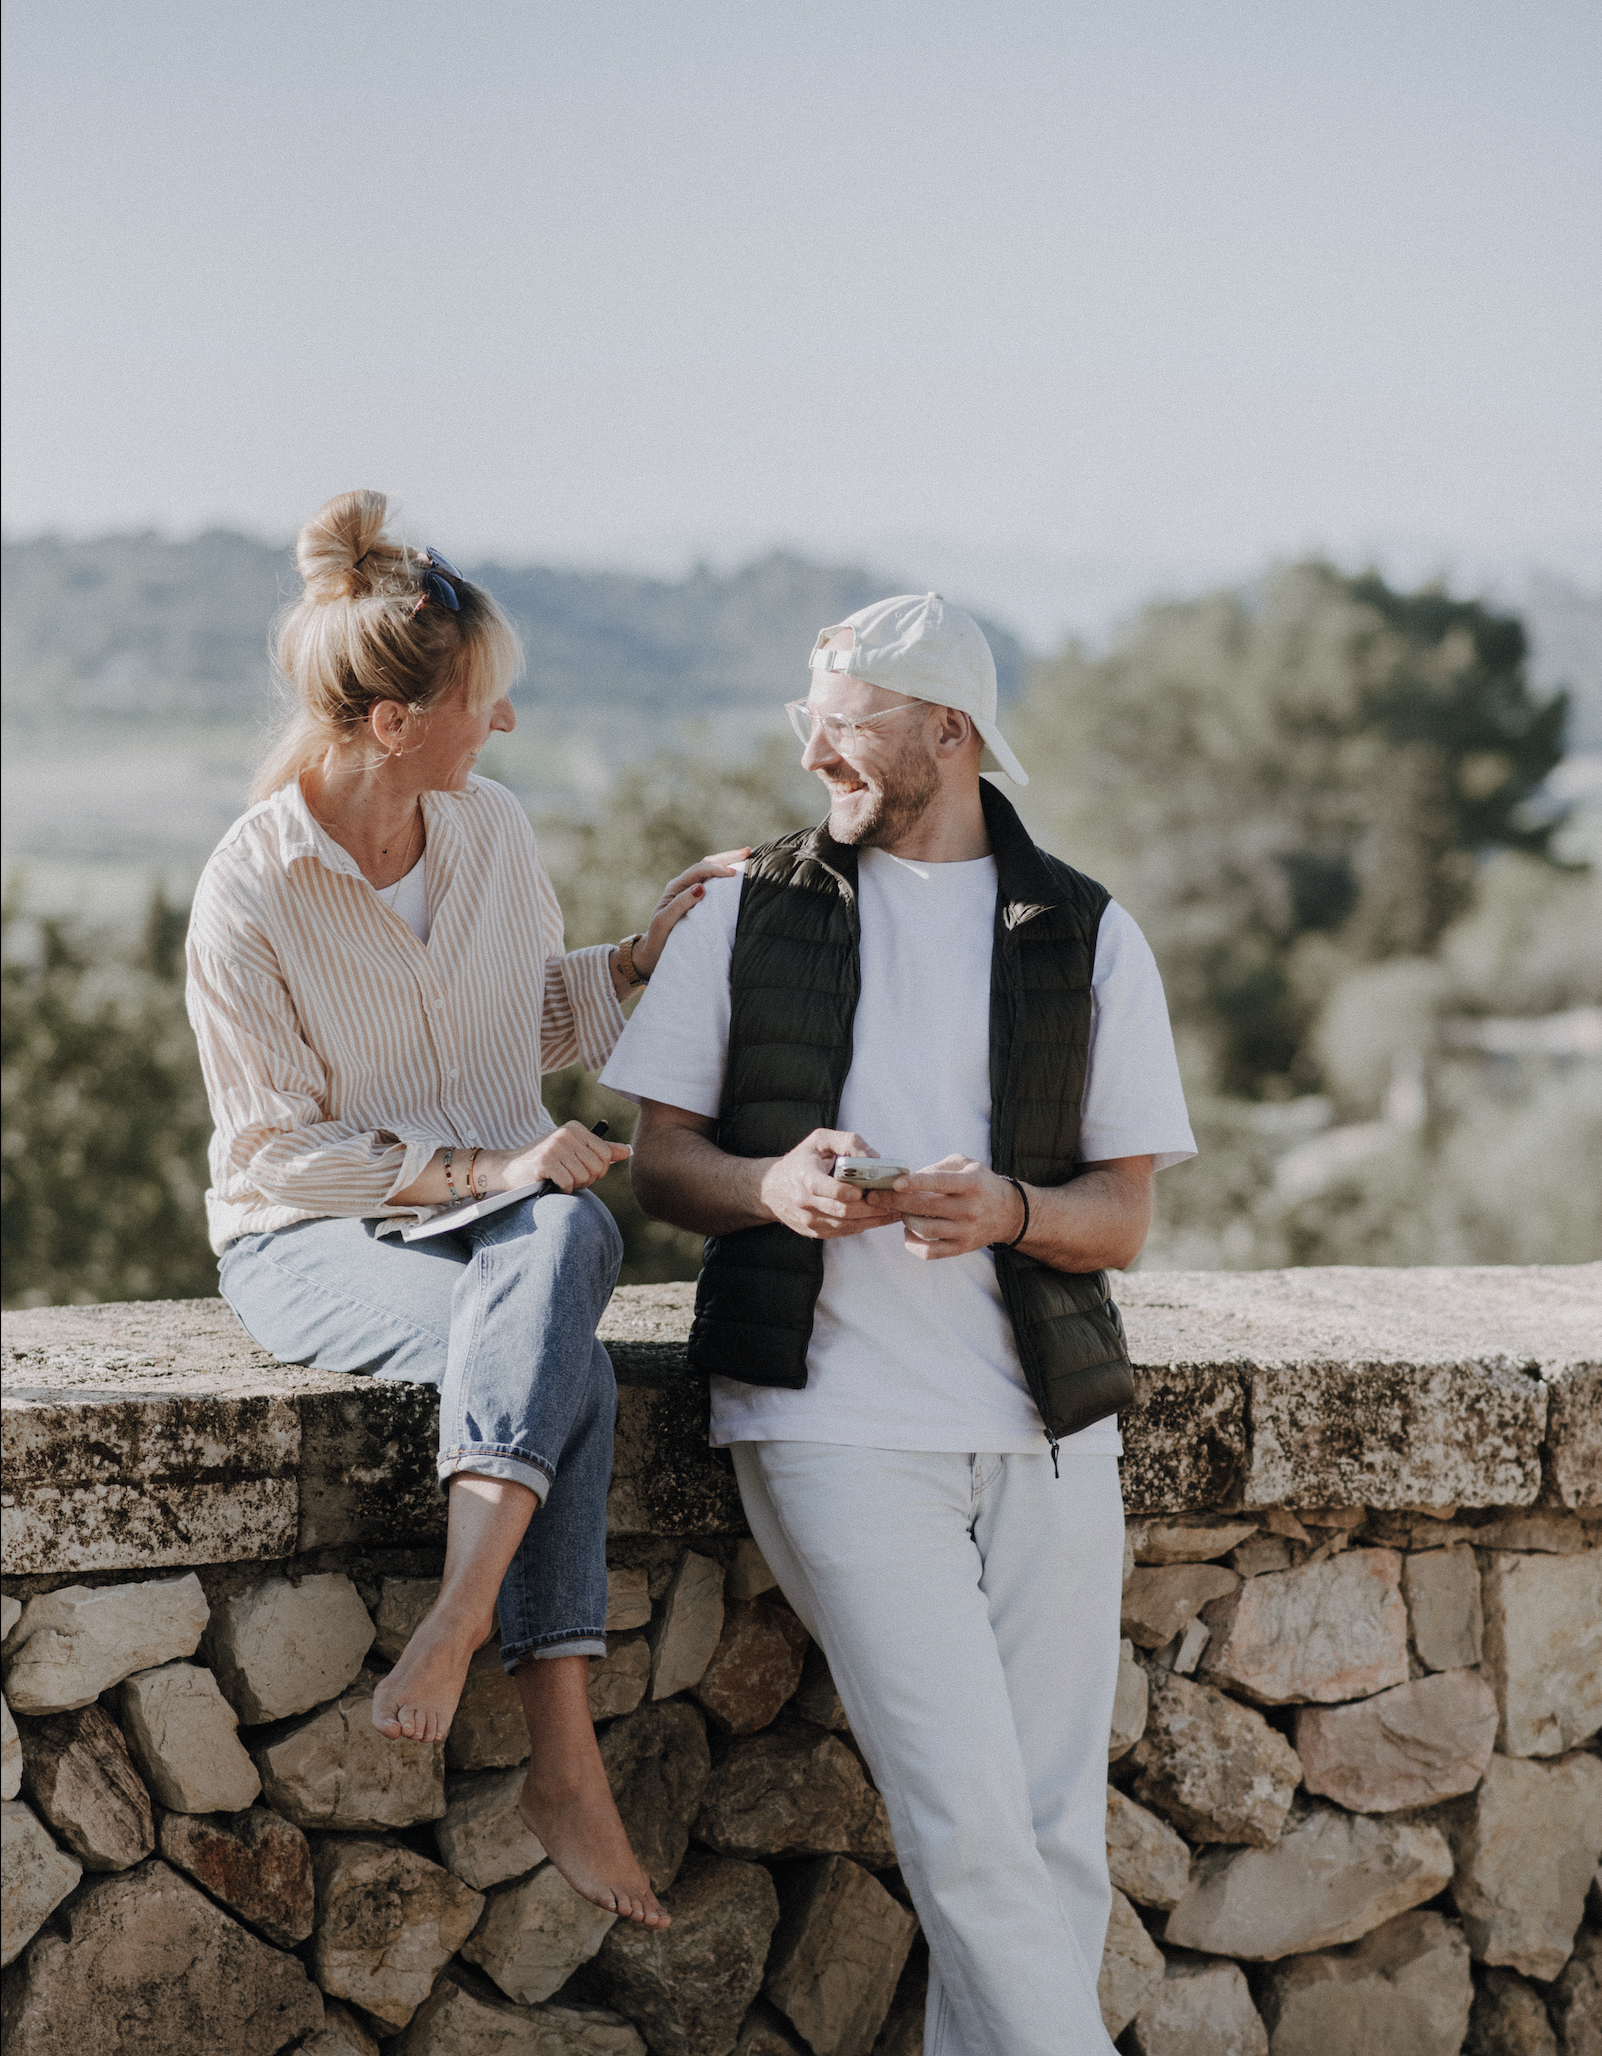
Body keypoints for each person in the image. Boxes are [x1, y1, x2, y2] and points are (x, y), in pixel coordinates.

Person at [600, 592, 1196, 2050]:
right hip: (835, 1422)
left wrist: (1006, 1211)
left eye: (844, 729)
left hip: (1048, 1437)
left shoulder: (1087, 933)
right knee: (973, 1828)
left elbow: (1118, 1217)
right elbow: (660, 1157)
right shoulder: (744, 910)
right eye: (805, 727)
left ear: (950, 730)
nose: (814, 757)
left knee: (1050, 1840)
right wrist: (772, 1184)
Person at [187, 489, 742, 1929]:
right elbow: (275, 1155)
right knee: (562, 1335)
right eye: (482, 703)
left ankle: (458, 1614)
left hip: (498, 1228)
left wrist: (633, 960)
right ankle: (562, 1755)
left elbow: (514, 1027)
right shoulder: (251, 888)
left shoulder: (486, 830)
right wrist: (481, 1175)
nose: (500, 730)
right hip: (315, 1241)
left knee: (568, 1238)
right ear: (392, 724)